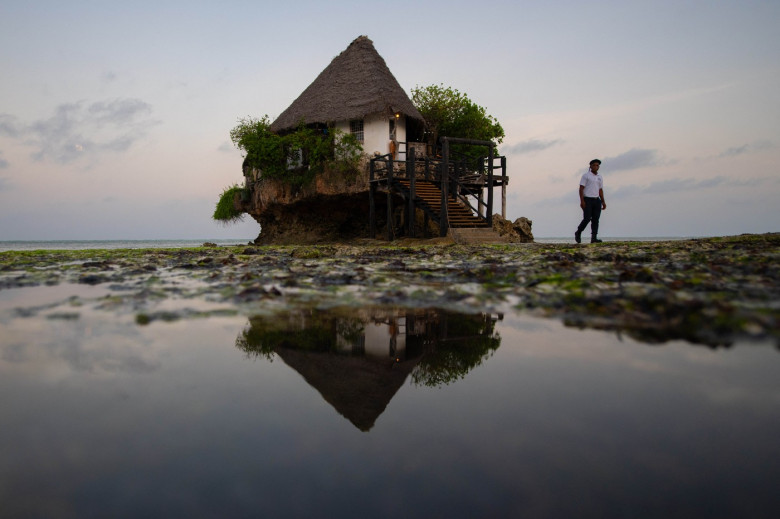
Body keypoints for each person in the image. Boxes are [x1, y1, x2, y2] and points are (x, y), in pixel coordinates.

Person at [575, 159, 607, 243]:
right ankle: (578, 232)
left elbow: (600, 189)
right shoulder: (586, 176)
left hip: (596, 200)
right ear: (591, 166)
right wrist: (582, 201)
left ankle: (594, 237)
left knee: (596, 219)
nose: (596, 167)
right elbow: (581, 188)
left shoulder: (600, 177)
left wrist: (603, 201)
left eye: (597, 165)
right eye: (594, 165)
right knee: (587, 218)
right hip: (587, 199)